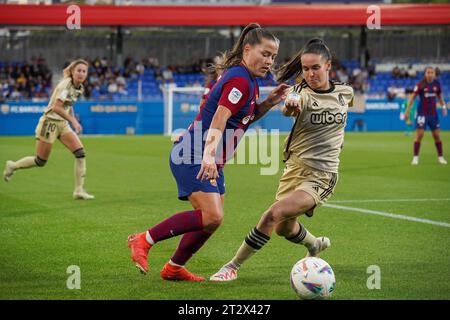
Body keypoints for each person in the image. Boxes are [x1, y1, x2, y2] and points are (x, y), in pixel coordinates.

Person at [127, 23, 289, 282]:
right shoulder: (239, 79)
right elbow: (220, 119)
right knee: (211, 215)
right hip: (195, 154)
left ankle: (174, 268)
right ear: (248, 49)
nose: (269, 61)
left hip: (206, 155)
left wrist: (268, 102)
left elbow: (242, 119)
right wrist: (209, 157)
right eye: (265, 53)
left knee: (212, 220)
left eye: (273, 56)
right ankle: (143, 240)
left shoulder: (250, 81)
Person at [210, 38, 354, 282]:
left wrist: (336, 143)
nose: (309, 74)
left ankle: (232, 266)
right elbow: (291, 105)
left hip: (322, 175)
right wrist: (291, 104)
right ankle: (314, 245)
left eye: (315, 68)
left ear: (328, 66)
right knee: (283, 228)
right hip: (294, 170)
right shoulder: (300, 93)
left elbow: (340, 120)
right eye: (305, 69)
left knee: (272, 215)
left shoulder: (345, 93)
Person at [3, 59, 94, 200]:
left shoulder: (79, 87)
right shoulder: (66, 85)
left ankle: (78, 190)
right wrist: (74, 121)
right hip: (49, 123)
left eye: (84, 71)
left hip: (62, 124)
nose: (81, 73)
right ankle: (13, 166)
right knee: (40, 161)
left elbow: (68, 105)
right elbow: (56, 107)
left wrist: (72, 119)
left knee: (80, 153)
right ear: (73, 72)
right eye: (79, 70)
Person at [405, 66, 447, 165]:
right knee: (419, 135)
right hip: (422, 114)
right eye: (428, 72)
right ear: (425, 73)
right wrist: (407, 111)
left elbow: (440, 97)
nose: (430, 74)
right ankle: (415, 158)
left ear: (434, 74)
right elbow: (412, 98)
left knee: (436, 135)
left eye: (432, 72)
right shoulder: (420, 84)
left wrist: (444, 107)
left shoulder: (437, 84)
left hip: (433, 114)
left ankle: (440, 158)